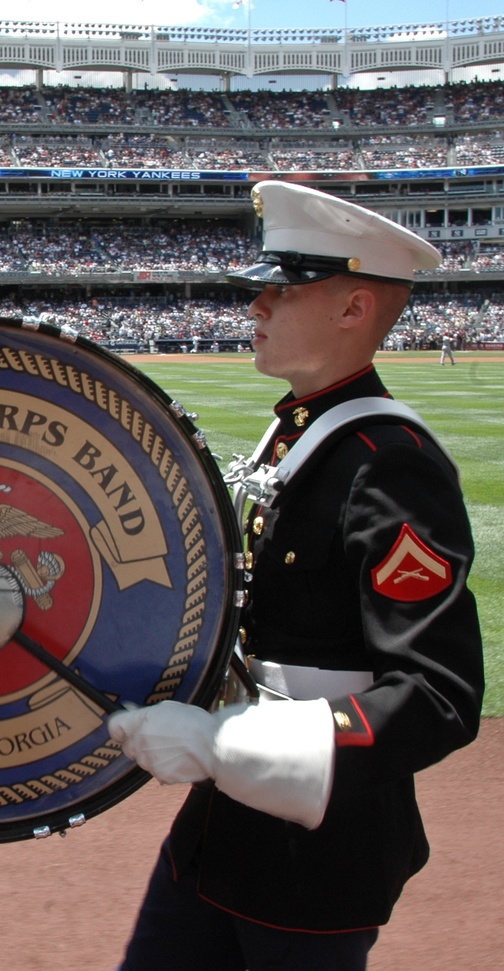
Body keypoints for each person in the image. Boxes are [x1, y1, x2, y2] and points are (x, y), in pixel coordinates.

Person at [108, 180, 484, 970]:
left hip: (319, 854)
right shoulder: (295, 434)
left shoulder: (389, 467)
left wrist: (223, 747)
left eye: (283, 288)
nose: (258, 306)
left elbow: (438, 696)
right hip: (219, 831)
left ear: (354, 309)